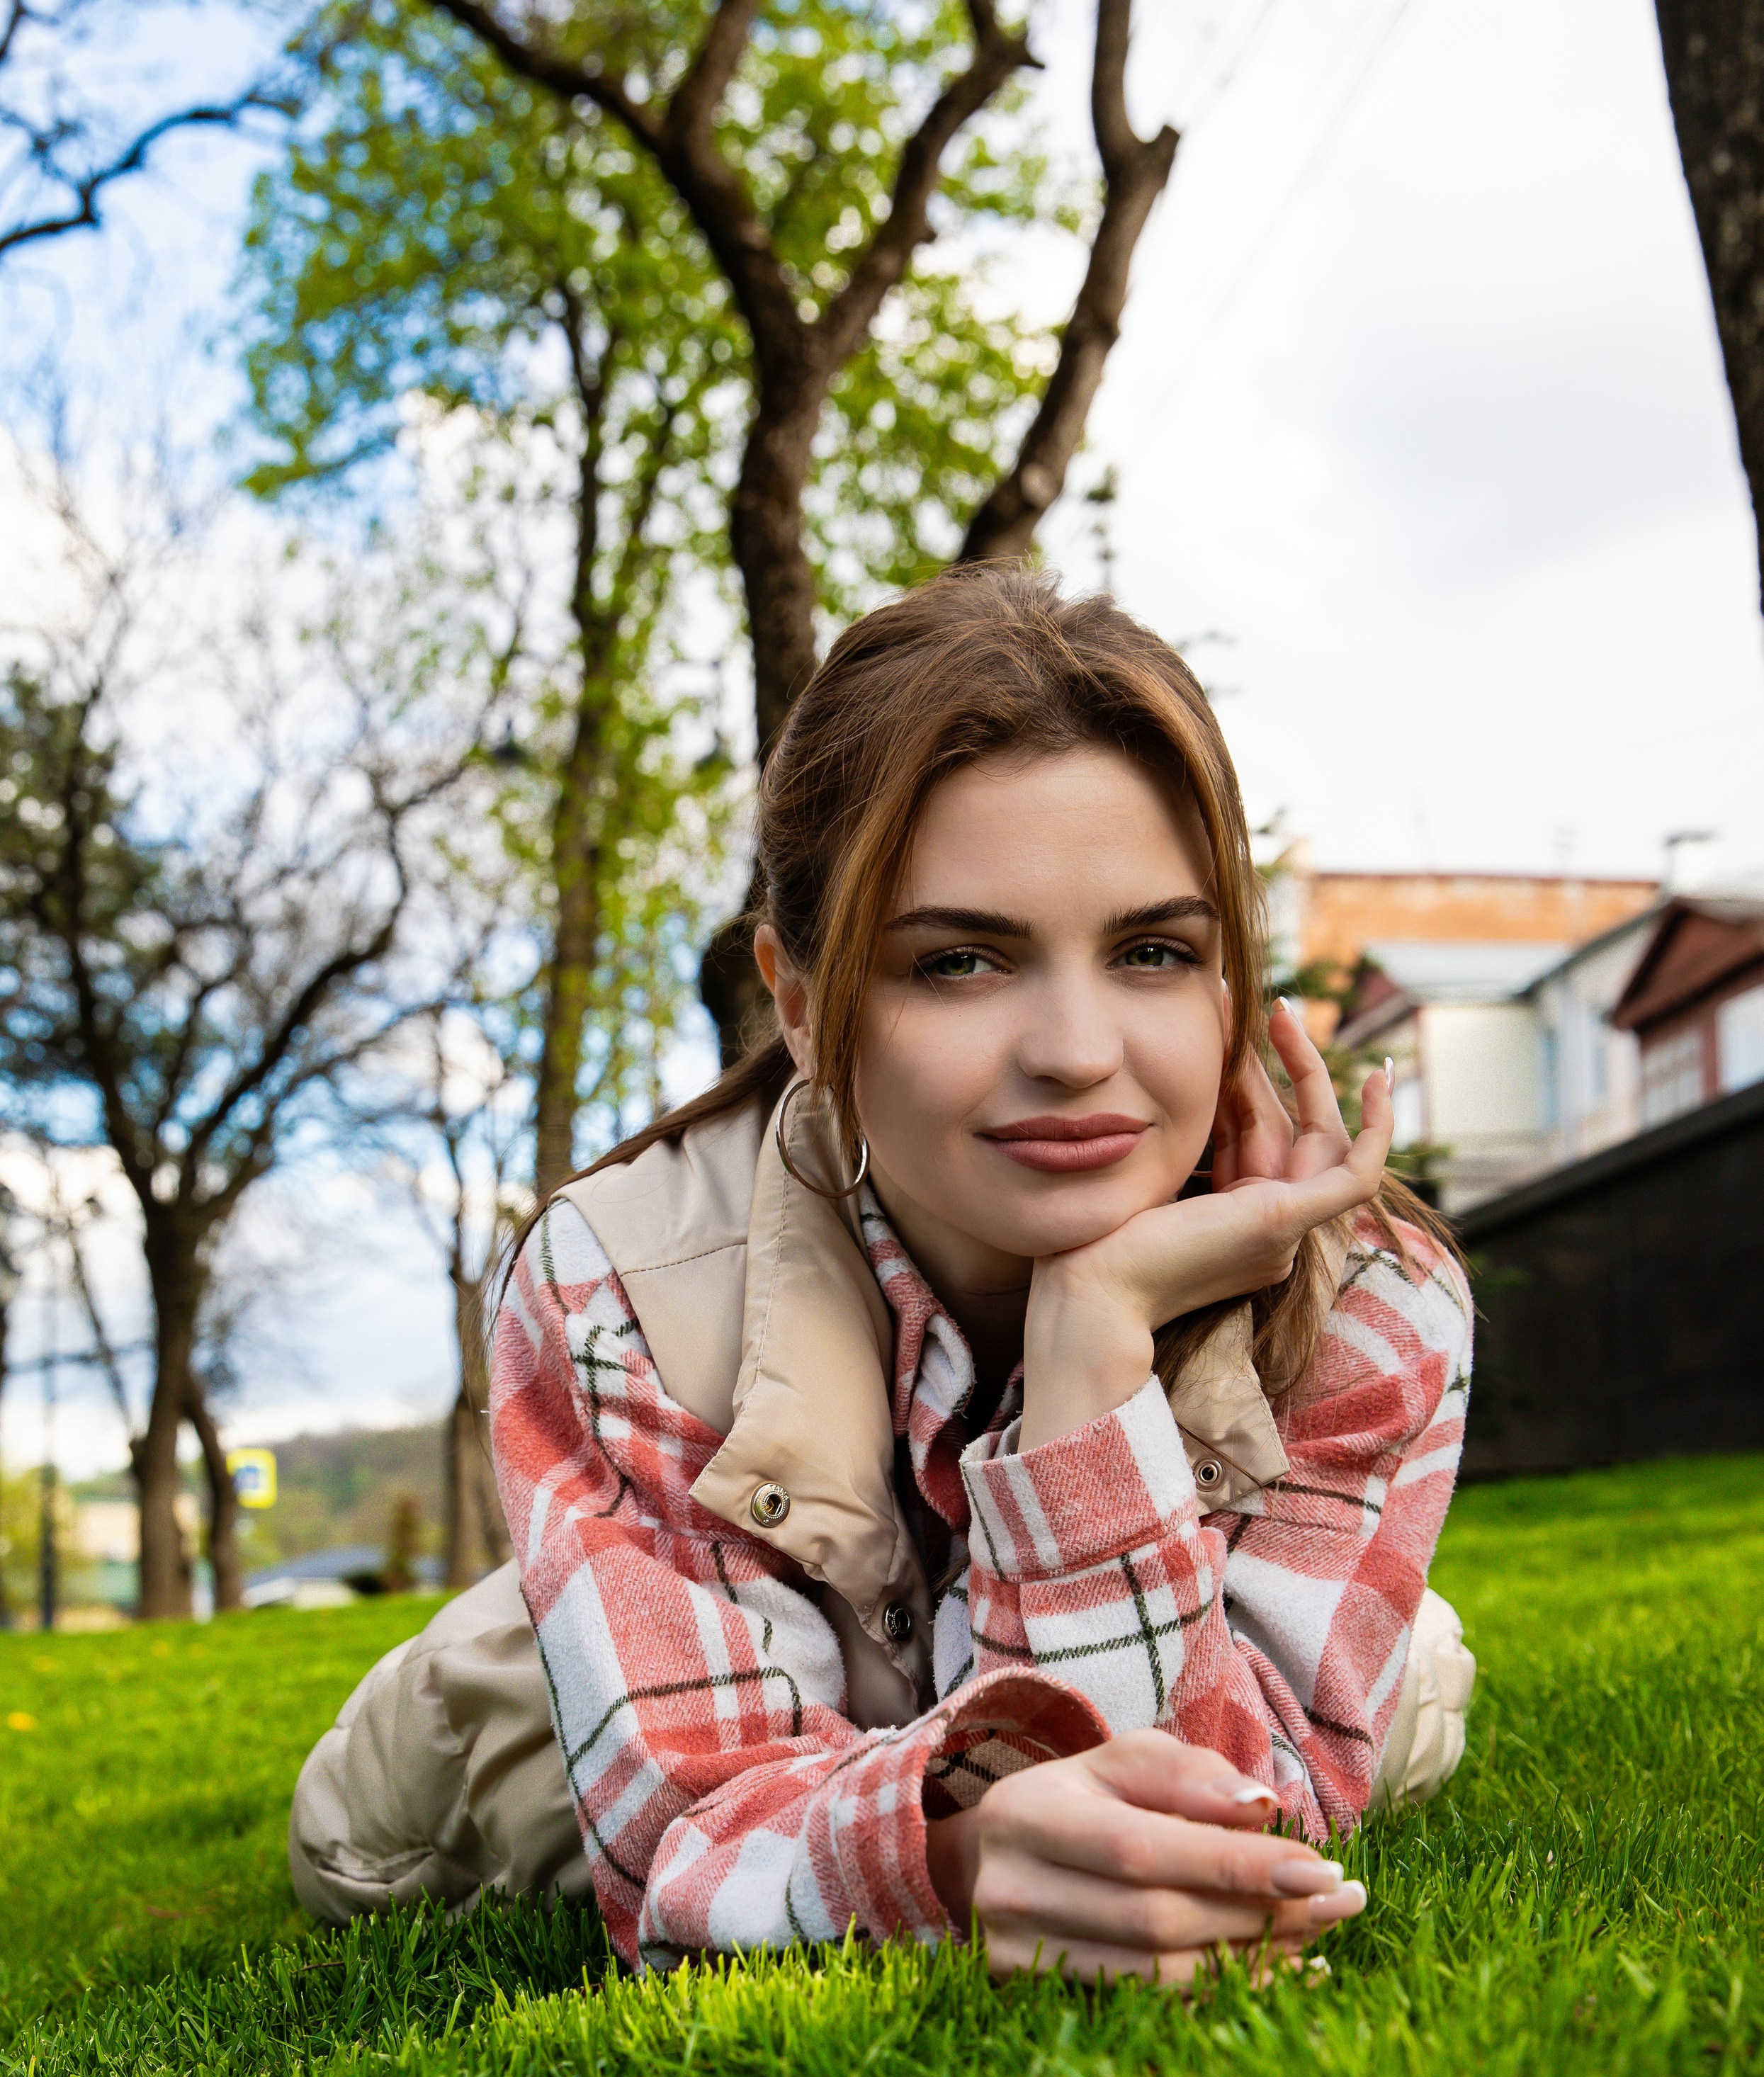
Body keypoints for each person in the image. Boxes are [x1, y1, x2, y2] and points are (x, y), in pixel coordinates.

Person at [290, 569, 1475, 1989]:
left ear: (1234, 981)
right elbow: (695, 1839)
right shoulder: (627, 1283)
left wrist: (1092, 1345)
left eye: (1155, 949)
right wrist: (960, 1860)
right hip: (640, 1664)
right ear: (803, 1001)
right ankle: (564, 1626)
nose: (1078, 1049)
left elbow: (1219, 1816)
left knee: (1420, 1675)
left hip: (884, 1688)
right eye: (961, 959)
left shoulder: (1375, 1298)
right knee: (460, 1775)